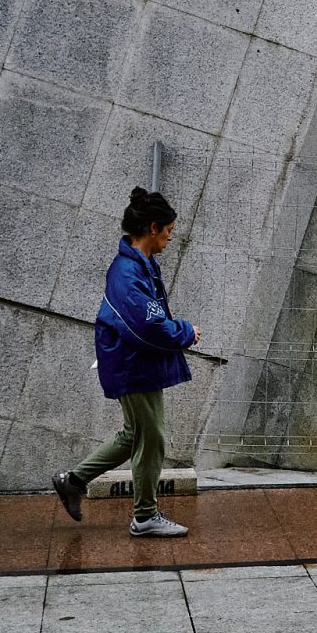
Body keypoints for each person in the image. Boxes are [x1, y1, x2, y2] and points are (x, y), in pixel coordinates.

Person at [52, 188, 200, 538]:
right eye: (167, 231)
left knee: (135, 435)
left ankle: (73, 482)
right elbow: (147, 324)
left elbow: (146, 320)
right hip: (134, 365)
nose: (170, 237)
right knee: (152, 438)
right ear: (152, 228)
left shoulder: (137, 267)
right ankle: (145, 516)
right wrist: (185, 332)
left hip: (132, 362)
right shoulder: (128, 273)